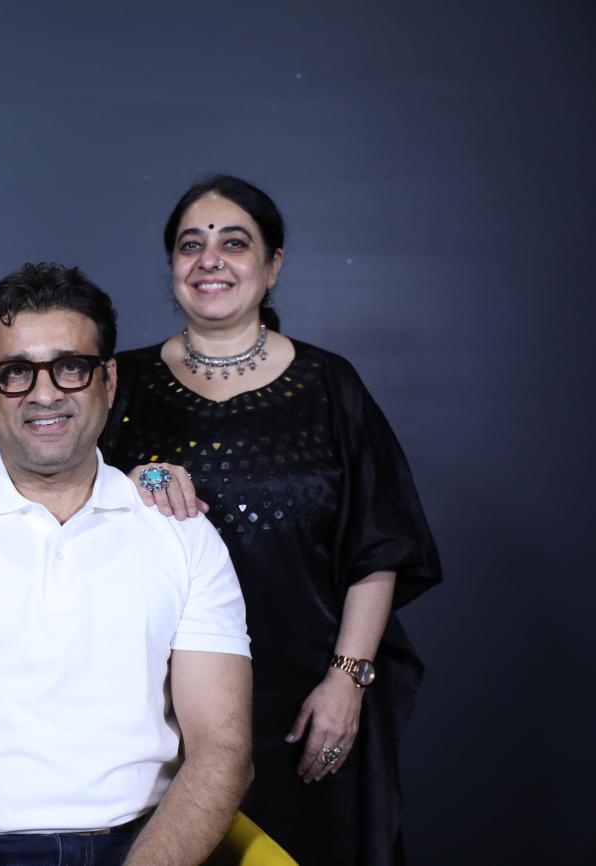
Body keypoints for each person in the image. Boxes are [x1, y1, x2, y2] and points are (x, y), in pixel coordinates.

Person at [0, 262, 253, 866]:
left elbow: (224, 750)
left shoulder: (182, 532)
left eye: (70, 367)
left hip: (146, 847)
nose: (44, 394)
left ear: (108, 379)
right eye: (15, 372)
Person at [100, 175, 442, 866]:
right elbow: (60, 508)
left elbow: (379, 546)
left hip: (305, 701)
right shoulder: (118, 383)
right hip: (156, 707)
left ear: (273, 263)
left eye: (234, 243)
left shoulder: (328, 384)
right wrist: (130, 482)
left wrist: (347, 681)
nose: (210, 260)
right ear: (172, 264)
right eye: (191, 245)